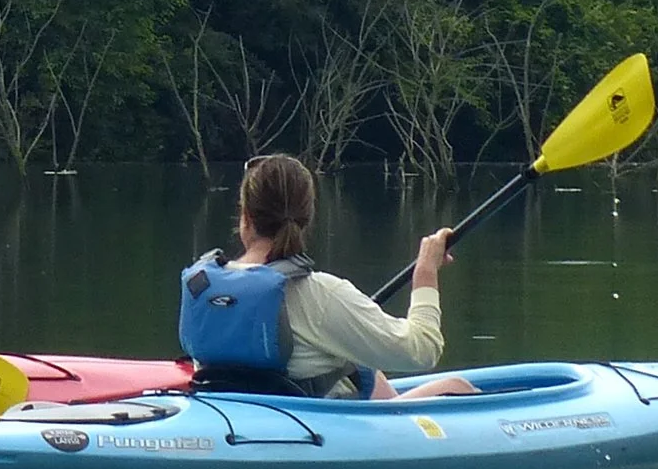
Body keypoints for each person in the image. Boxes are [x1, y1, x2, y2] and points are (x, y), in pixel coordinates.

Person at [179, 151, 482, 401]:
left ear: (245, 218)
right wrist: (425, 273)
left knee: (362, 370)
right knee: (458, 387)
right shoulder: (320, 294)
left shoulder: (202, 287)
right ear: (307, 218)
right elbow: (423, 350)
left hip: (229, 413)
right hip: (309, 423)